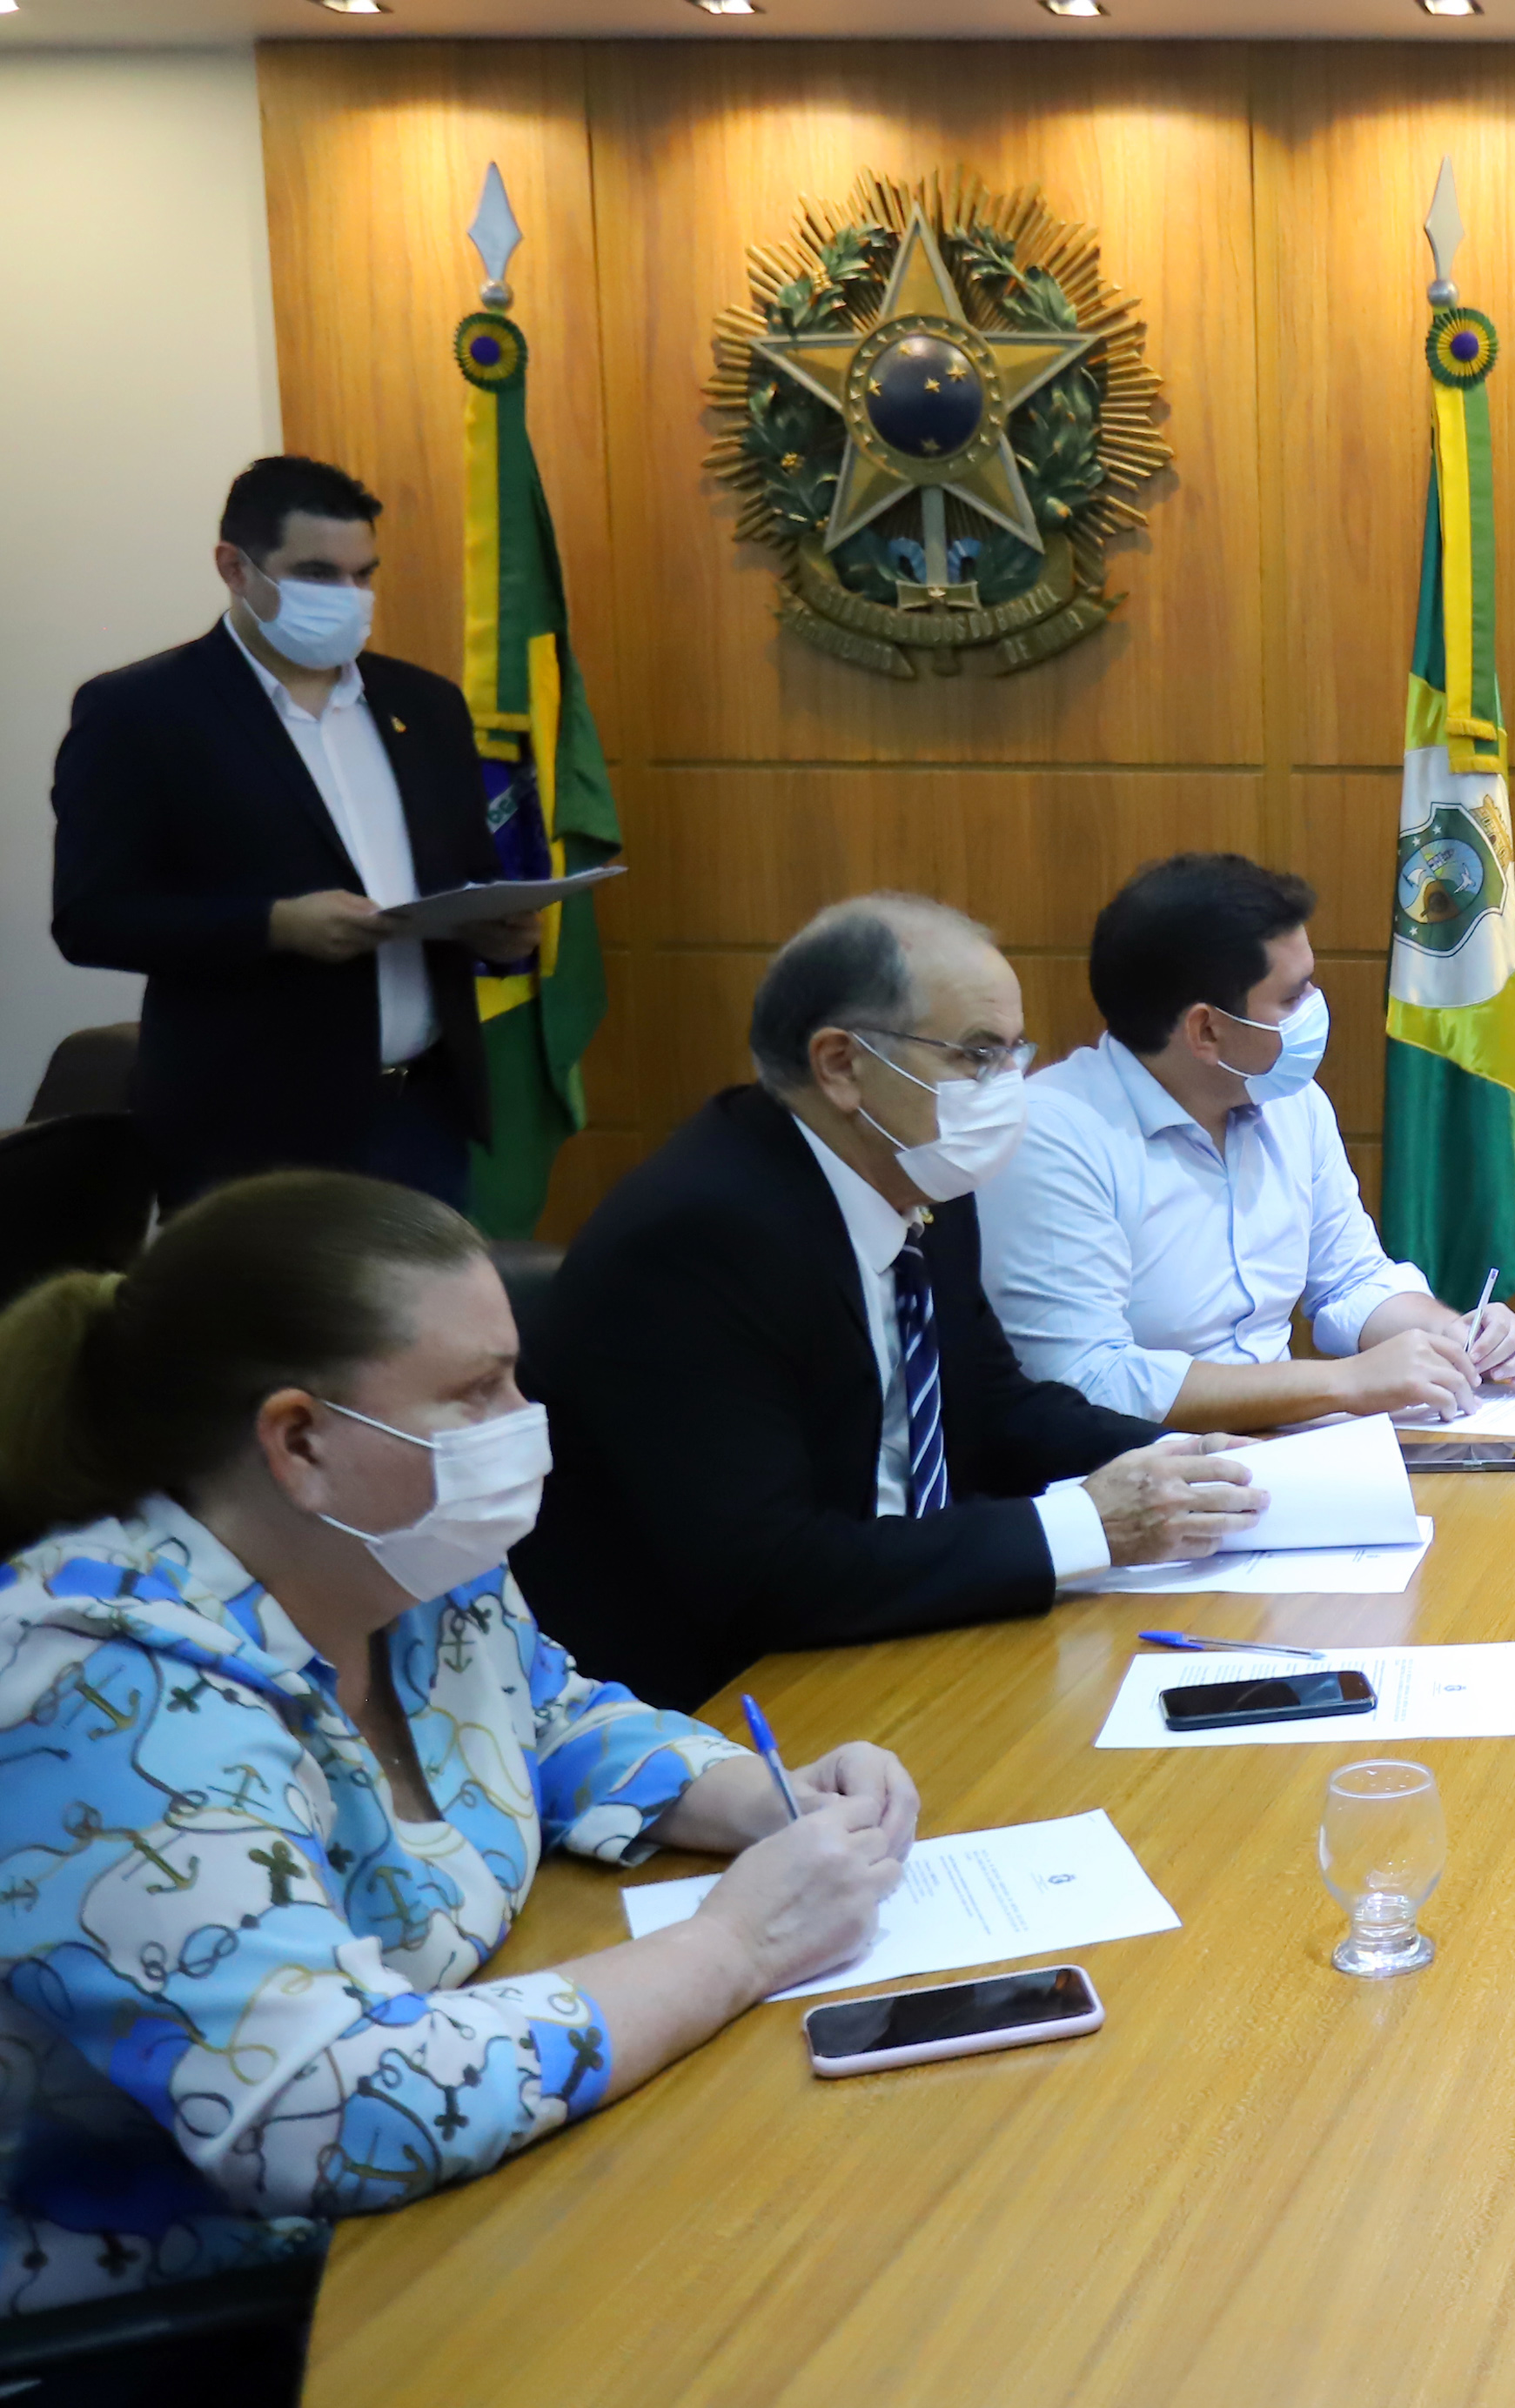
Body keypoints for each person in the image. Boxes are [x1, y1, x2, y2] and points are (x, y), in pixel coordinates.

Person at [0, 1173, 917, 2318]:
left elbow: (546, 1715)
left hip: (461, 2204)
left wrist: (755, 1794)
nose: (525, 1420)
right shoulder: (108, 1688)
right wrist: (737, 1944)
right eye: (479, 1391)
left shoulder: (410, 1559)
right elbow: (329, 2108)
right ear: (299, 1441)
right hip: (207, 2303)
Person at [513, 894, 1264, 1711]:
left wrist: (1196, 1462)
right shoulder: (700, 1238)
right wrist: (1087, 1526)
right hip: (722, 1697)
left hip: (900, 1636)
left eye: (1014, 1053)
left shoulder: (921, 1178)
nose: (1008, 1087)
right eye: (977, 1056)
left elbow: (996, 1407)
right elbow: (765, 1573)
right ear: (841, 1065)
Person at [49, 456, 546, 1211]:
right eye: (317, 574)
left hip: (422, 1116)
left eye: (363, 575)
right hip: (252, 1132)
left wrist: (499, 933)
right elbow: (91, 918)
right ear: (234, 568)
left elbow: (465, 876)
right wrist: (274, 925)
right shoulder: (141, 713)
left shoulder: (426, 704)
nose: (348, 598)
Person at [981, 853, 1515, 1431]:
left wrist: (1450, 1335)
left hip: (1284, 1447)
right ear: (1206, 1030)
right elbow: (1089, 1378)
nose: (1316, 1007)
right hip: (1141, 1466)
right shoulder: (1052, 1136)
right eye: (1293, 997)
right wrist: (1344, 1383)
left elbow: (1351, 1279)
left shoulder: (1291, 1102)